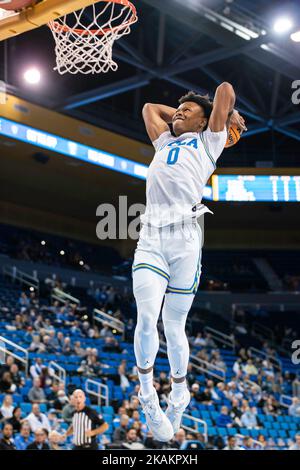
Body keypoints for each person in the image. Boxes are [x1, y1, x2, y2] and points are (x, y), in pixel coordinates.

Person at [133, 83, 245, 441]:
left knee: (174, 324)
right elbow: (151, 107)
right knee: (147, 317)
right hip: (151, 236)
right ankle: (148, 394)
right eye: (177, 111)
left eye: (187, 112)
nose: (177, 113)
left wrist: (220, 115)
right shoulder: (163, 142)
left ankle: (179, 393)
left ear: (204, 122)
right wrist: (182, 112)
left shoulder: (209, 142)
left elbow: (225, 89)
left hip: (186, 239)